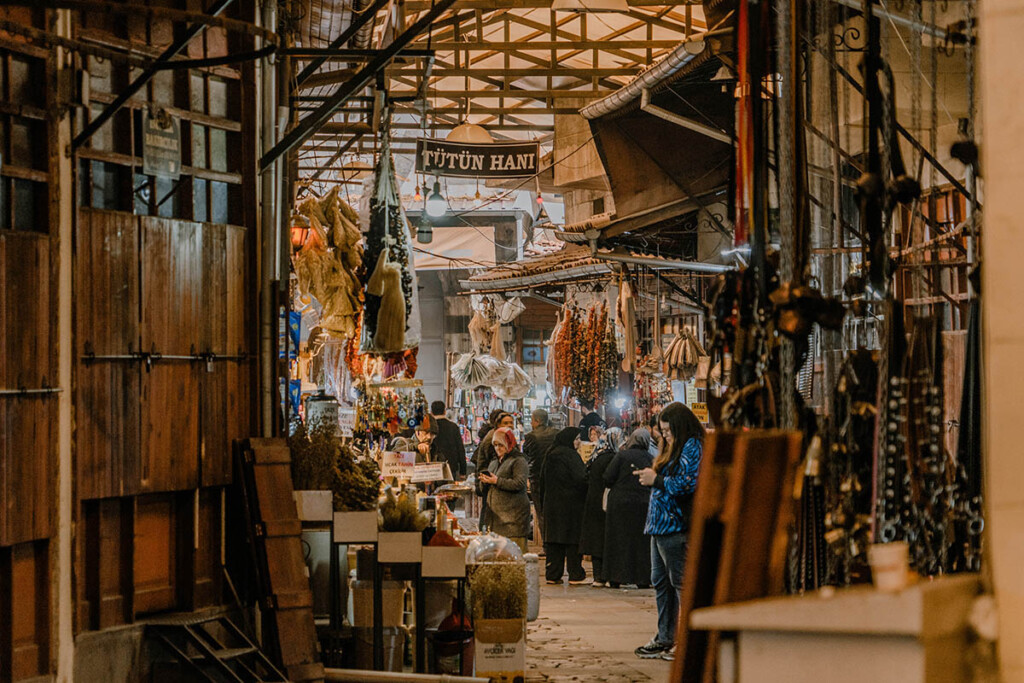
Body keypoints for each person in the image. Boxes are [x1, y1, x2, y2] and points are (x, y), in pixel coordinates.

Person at [633, 403, 704, 660]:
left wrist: (657, 480)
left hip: (675, 526)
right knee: (661, 582)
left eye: (668, 430)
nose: (665, 435)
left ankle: (686, 641)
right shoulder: (672, 446)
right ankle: (665, 637)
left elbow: (687, 483)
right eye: (662, 432)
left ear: (680, 426)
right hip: (660, 527)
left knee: (681, 584)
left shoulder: (692, 445)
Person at [603, 427, 655, 589]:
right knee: (641, 543)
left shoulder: (621, 456)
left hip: (620, 504)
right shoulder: (651, 458)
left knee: (618, 540)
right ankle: (642, 578)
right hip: (643, 504)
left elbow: (608, 477)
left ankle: (616, 577)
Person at [541, 427, 589, 585]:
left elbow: (542, 481)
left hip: (552, 506)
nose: (578, 442)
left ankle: (553, 574)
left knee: (554, 541)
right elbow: (581, 478)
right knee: (572, 540)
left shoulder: (550, 454)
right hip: (571, 506)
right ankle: (575, 573)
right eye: (576, 439)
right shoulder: (570, 455)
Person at [579, 427, 622, 587]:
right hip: (607, 504)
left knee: (596, 539)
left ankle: (598, 577)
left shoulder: (596, 456)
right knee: (607, 539)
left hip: (593, 502)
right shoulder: (614, 458)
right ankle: (609, 575)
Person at [477, 427, 531, 554]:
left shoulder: (519, 461)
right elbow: (486, 487)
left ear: (509, 443)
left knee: (516, 556)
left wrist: (497, 481)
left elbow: (519, 483)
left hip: (514, 521)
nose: (497, 448)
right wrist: (484, 482)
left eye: (500, 445)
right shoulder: (494, 462)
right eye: (495, 445)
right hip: (497, 521)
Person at [523, 408, 558, 534]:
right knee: (554, 511)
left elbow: (526, 455)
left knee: (541, 511)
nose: (531, 424)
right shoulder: (556, 433)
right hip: (554, 477)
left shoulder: (530, 436)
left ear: (537, 421)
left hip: (537, 478)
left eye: (532, 421)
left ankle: (546, 544)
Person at [430, 400, 467, 478]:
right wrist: (463, 471)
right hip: (451, 466)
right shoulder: (453, 427)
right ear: (444, 411)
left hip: (432, 468)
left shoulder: (428, 428)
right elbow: (460, 448)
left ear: (431, 412)